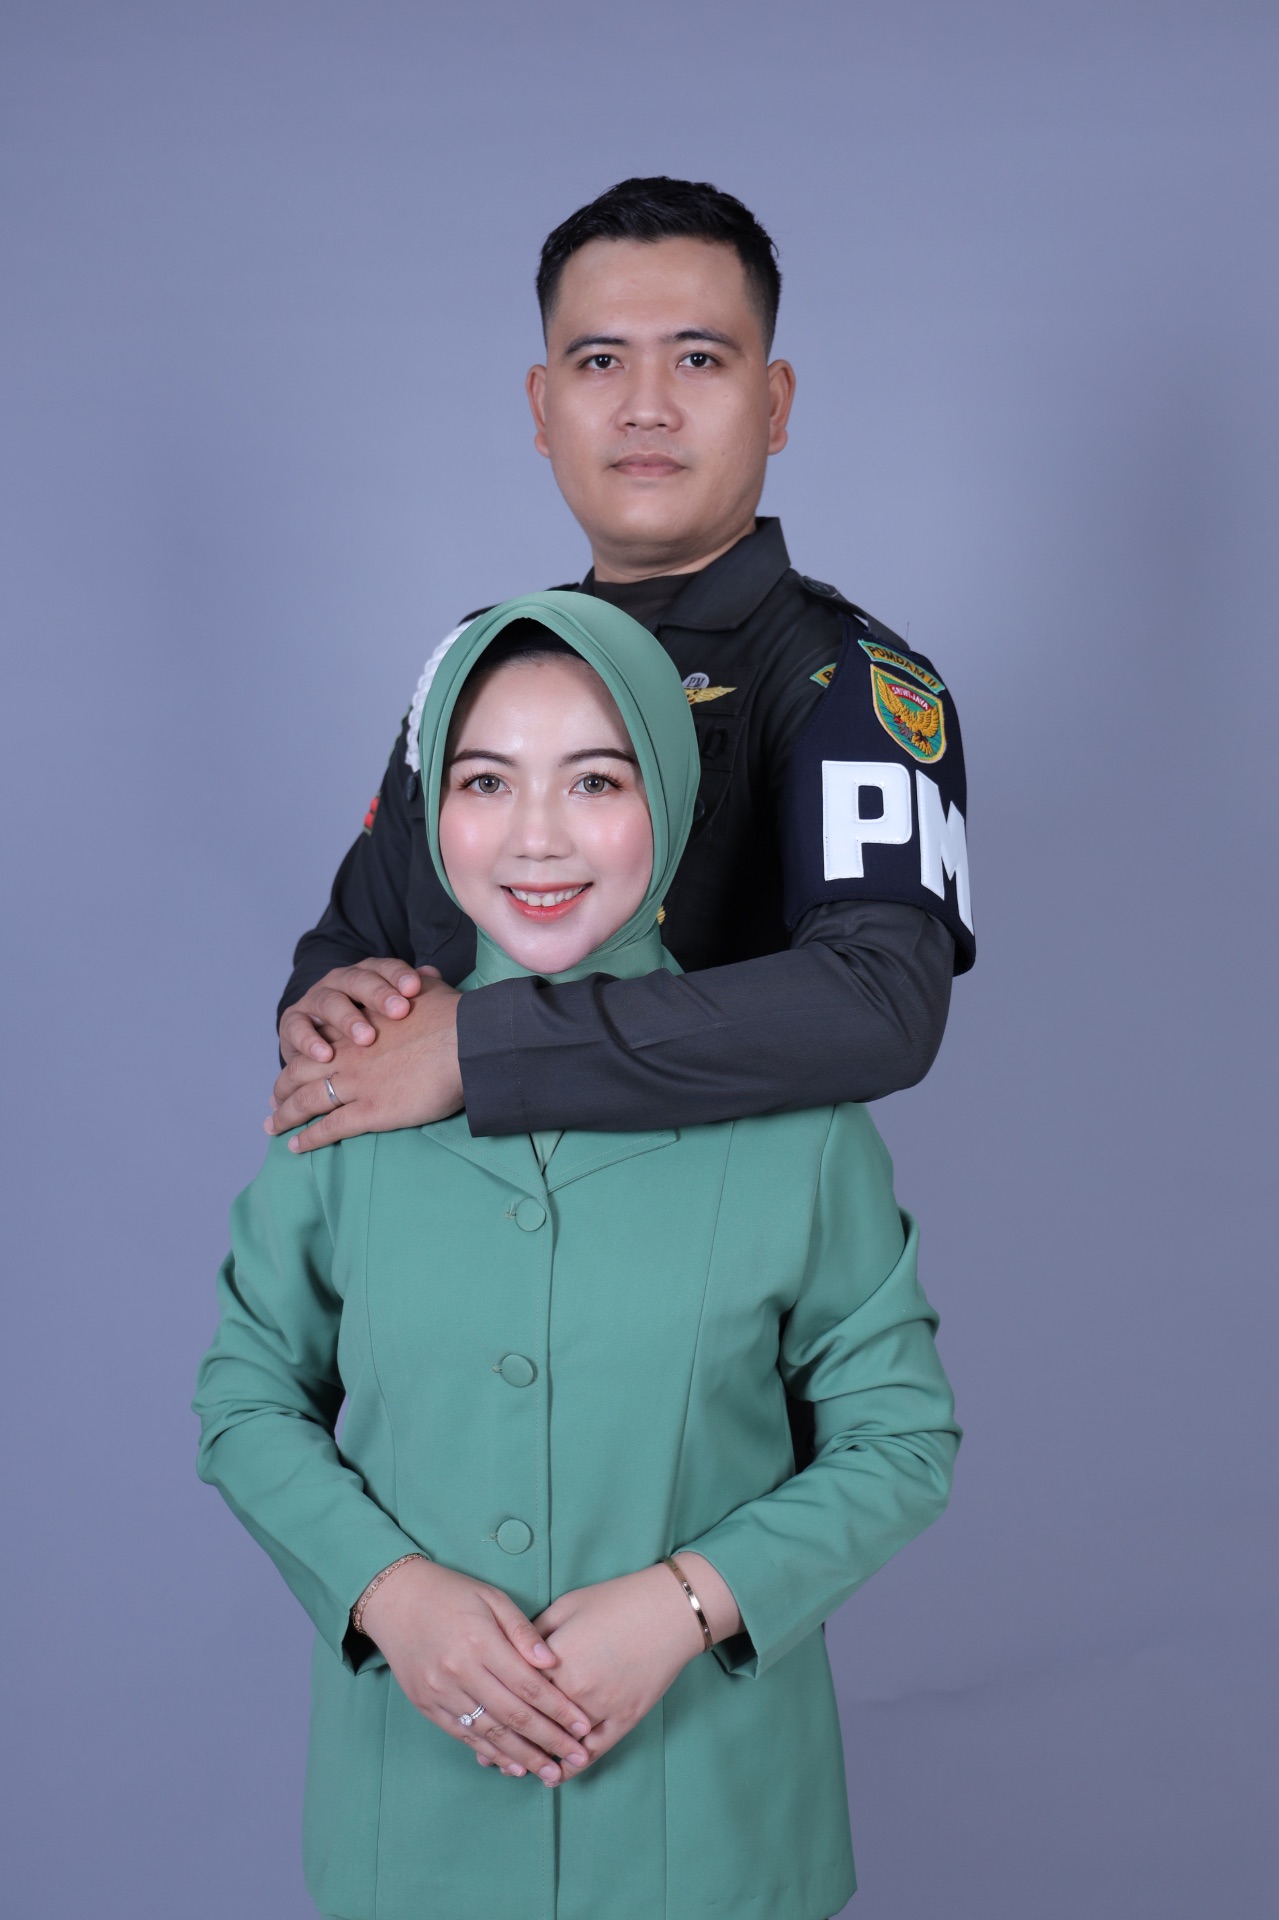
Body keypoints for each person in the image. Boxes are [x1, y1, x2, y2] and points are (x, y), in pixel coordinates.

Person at [196, 593, 959, 1920]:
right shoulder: (350, 1087)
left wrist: (686, 1605)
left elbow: (899, 1437)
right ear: (432, 815)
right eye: (484, 782)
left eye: (595, 781)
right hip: (409, 1835)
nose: (535, 835)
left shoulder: (801, 1125)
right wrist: (390, 1594)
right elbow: (246, 1395)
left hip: (721, 1834)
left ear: (670, 804)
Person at [266, 176, 974, 1158]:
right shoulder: (479, 661)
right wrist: (325, 1008)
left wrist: (481, 1048)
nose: (646, 409)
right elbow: (352, 941)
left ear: (773, 405)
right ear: (542, 405)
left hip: (706, 1226)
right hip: (436, 1220)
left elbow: (878, 1003)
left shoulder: (840, 674)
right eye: (600, 361)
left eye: (697, 358)